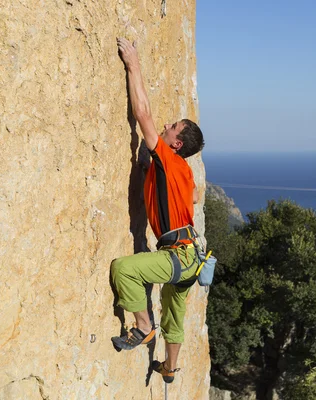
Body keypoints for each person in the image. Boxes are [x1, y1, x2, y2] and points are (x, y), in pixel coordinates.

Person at [110, 37, 205, 384]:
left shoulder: (168, 159)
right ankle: (169, 368)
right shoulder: (183, 170)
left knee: (125, 270)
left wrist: (133, 64)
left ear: (176, 144)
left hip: (177, 255)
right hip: (191, 255)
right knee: (175, 314)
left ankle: (143, 328)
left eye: (171, 129)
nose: (165, 127)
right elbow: (194, 198)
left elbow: (143, 115)